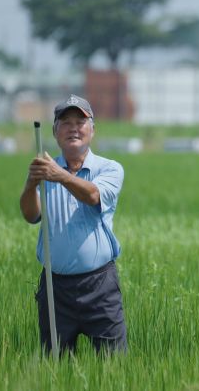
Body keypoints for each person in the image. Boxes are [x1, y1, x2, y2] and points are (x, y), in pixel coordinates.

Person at [20, 94, 127, 355]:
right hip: (55, 288)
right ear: (56, 132)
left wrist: (61, 176)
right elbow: (31, 215)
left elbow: (93, 196)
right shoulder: (46, 169)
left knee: (114, 365)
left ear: (92, 129)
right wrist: (32, 183)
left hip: (99, 285)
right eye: (65, 122)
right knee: (55, 364)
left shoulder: (109, 169)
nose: (73, 128)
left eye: (80, 121)